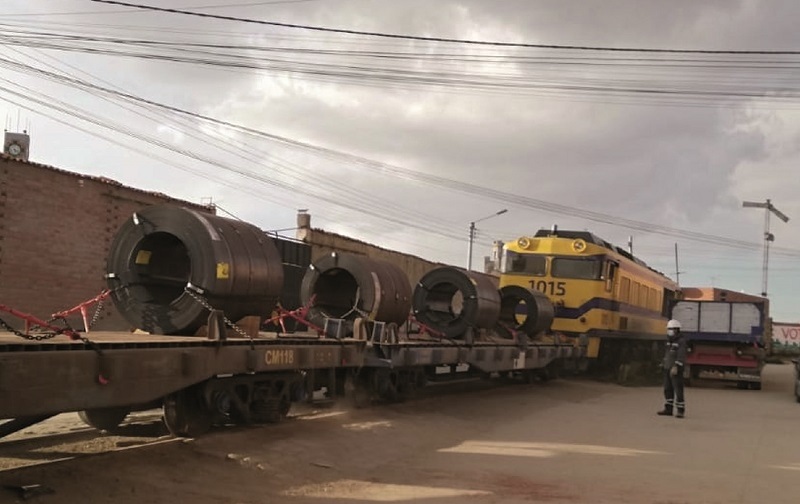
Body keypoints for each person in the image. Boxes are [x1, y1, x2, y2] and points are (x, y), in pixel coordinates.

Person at [657, 319, 687, 418]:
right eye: (668, 329)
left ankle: (680, 410)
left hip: (675, 370)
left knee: (678, 390)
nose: (669, 331)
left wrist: (677, 366)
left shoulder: (681, 341)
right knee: (667, 389)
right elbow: (667, 354)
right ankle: (668, 409)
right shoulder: (668, 341)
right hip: (667, 368)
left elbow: (681, 355)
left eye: (671, 329)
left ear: (676, 330)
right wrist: (663, 363)